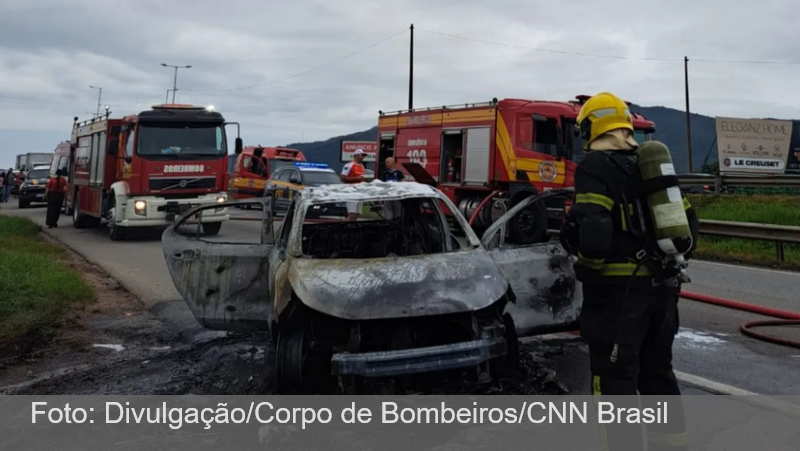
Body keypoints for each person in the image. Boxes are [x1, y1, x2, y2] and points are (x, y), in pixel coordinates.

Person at [561, 92, 698, 451]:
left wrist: (585, 270)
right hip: (664, 291)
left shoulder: (594, 167)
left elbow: (594, 233)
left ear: (591, 127)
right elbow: (691, 228)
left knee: (614, 383)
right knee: (658, 377)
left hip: (618, 300)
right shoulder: (652, 166)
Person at [340, 149, 366, 221]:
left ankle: (352, 228)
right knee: (352, 212)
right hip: (352, 191)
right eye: (361, 155)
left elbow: (362, 178)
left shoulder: (362, 167)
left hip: (360, 191)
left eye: (363, 156)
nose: (363, 157)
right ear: (356, 155)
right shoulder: (349, 165)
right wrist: (356, 178)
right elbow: (343, 178)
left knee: (357, 213)